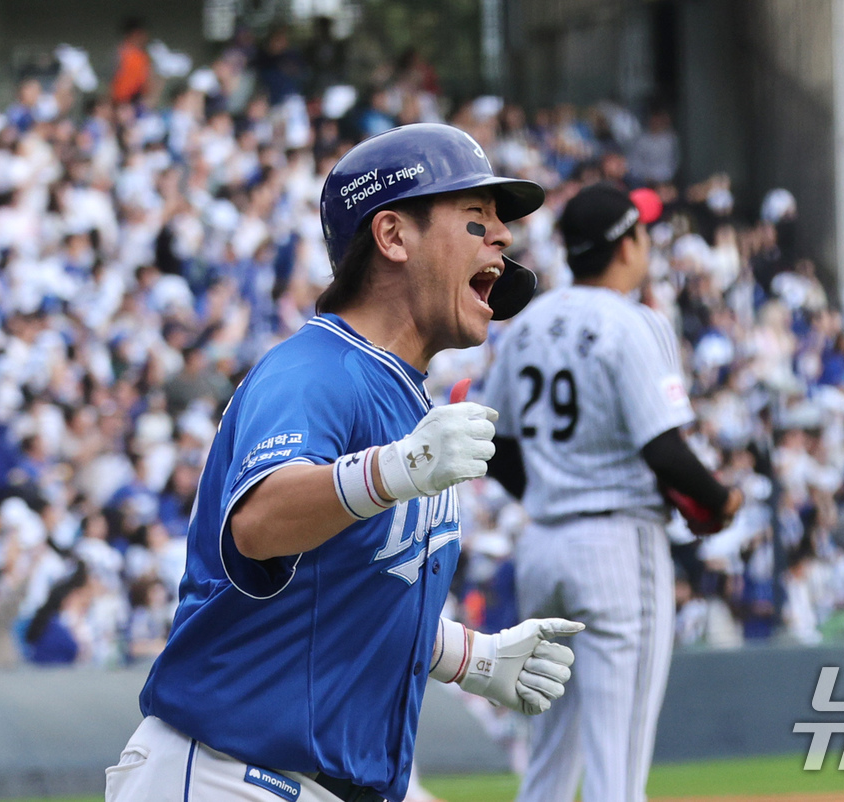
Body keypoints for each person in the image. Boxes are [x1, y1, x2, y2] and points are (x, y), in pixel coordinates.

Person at [109, 123, 584, 802]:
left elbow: (348, 593)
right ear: (392, 237)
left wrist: (466, 657)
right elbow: (261, 521)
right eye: (477, 221)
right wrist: (396, 470)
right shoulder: (315, 371)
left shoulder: (404, 405)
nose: (503, 237)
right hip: (228, 774)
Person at [483, 183, 741, 802]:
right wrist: (723, 499)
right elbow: (664, 449)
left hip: (543, 544)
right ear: (628, 244)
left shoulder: (528, 324)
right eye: (643, 233)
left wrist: (548, 491)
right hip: (618, 544)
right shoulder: (636, 321)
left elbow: (495, 443)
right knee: (616, 769)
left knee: (547, 765)